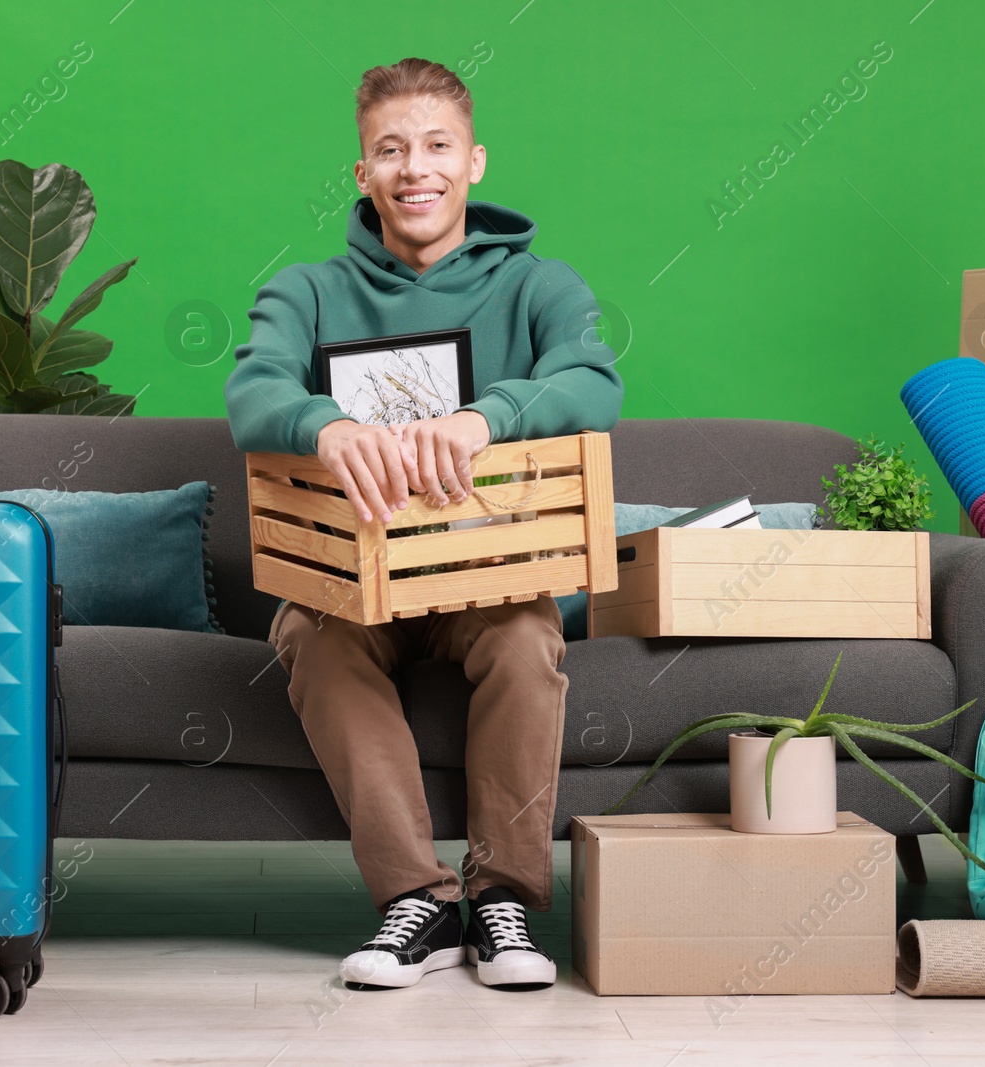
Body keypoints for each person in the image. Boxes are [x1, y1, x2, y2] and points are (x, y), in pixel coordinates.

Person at [223, 57, 623, 990]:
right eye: (390, 150)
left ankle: (506, 900)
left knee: (528, 637)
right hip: (355, 581)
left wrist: (489, 416)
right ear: (362, 172)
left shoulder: (539, 285)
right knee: (310, 634)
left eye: (437, 146)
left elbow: (595, 380)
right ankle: (421, 902)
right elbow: (253, 393)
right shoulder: (306, 291)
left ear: (474, 161)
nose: (417, 169)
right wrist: (327, 426)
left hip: (489, 576)